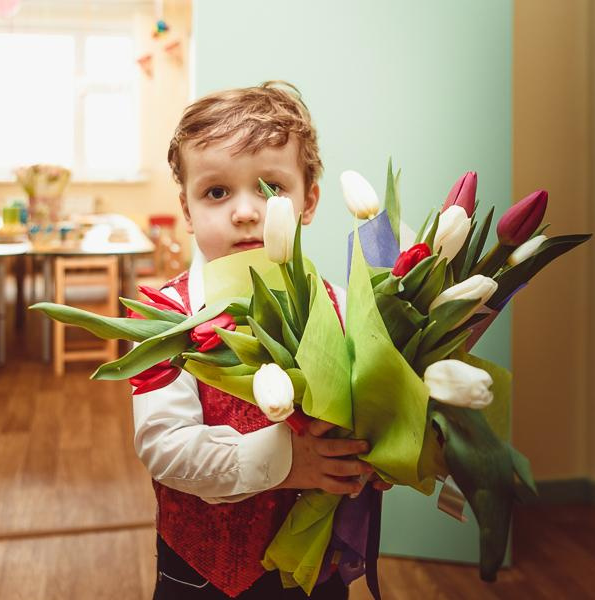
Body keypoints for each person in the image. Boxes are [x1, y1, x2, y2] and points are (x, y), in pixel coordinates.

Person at [133, 81, 391, 600]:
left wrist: (376, 452)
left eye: (271, 187)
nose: (246, 212)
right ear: (187, 211)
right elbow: (164, 445)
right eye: (216, 192)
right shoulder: (166, 318)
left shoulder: (343, 308)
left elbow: (368, 409)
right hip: (203, 573)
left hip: (316, 566)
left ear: (309, 201)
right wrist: (287, 460)